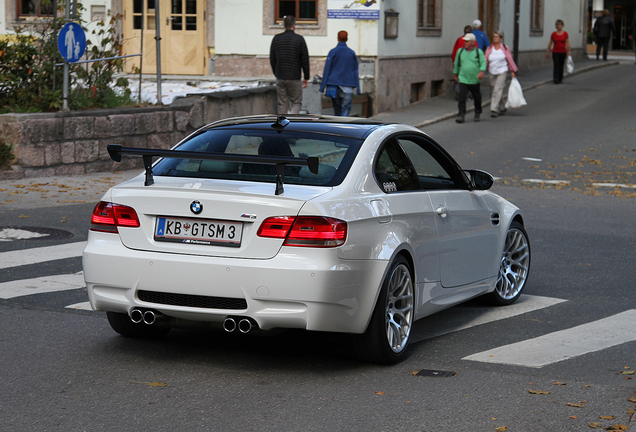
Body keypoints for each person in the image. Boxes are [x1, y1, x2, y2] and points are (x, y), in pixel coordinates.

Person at [269, 15, 310, 115]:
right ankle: (291, 124)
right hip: (294, 76)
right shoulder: (299, 39)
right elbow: (305, 59)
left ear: (284, 25)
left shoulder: (276, 39)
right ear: (294, 25)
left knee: (282, 104)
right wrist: (306, 77)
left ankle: (282, 126)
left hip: (280, 76)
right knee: (296, 102)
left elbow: (272, 58)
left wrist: (277, 73)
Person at [319, 30, 360, 117]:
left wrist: (322, 87)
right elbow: (355, 70)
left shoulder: (333, 52)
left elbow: (327, 70)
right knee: (346, 108)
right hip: (348, 85)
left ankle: (337, 126)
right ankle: (343, 126)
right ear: (347, 39)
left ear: (337, 38)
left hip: (334, 84)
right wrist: (358, 88)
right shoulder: (351, 53)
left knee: (337, 109)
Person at [453, 33, 486, 123]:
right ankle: (461, 114)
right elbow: (457, 64)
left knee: (477, 97)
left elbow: (483, 62)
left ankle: (477, 111)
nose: (465, 43)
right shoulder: (460, 51)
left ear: (472, 43)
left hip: (474, 79)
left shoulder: (478, 52)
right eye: (465, 41)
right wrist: (455, 74)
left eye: (467, 41)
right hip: (463, 79)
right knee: (462, 97)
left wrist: (482, 71)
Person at [485, 30, 518, 118]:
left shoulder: (505, 48)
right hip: (492, 71)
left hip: (502, 71)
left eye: (497, 37)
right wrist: (482, 69)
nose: (495, 38)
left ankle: (494, 109)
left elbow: (510, 59)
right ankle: (502, 107)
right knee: (495, 89)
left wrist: (513, 71)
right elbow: (485, 59)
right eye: (494, 37)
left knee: (496, 90)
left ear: (501, 38)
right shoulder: (489, 49)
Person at [546, 19, 571, 84]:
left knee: (561, 65)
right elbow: (550, 42)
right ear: (556, 26)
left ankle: (560, 78)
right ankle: (555, 78)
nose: (559, 26)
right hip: (555, 51)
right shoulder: (553, 34)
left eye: (560, 25)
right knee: (556, 65)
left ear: (562, 26)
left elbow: (567, 42)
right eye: (557, 25)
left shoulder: (565, 34)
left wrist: (569, 51)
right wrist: (548, 50)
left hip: (563, 51)